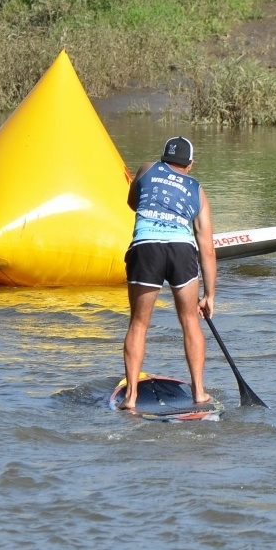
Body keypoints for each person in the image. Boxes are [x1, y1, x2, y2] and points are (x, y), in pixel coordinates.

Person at [120, 136, 216, 410]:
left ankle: (131, 399)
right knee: (189, 321)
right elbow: (207, 248)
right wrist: (209, 296)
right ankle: (199, 393)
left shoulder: (147, 168)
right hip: (181, 250)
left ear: (163, 158)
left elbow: (133, 203)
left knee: (138, 324)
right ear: (190, 164)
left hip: (146, 246)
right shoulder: (197, 190)